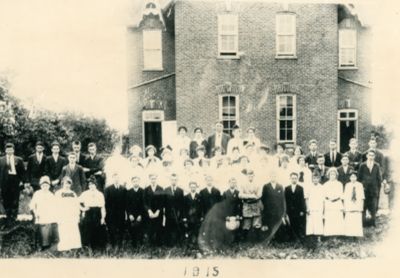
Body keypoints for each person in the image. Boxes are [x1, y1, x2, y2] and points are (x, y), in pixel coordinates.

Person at [29, 176, 58, 251]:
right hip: (38, 214)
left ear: (49, 186)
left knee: (47, 229)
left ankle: (46, 245)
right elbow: (32, 205)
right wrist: (35, 213)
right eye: (43, 186)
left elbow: (54, 206)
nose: (45, 187)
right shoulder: (37, 193)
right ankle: (36, 245)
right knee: (37, 229)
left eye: (46, 186)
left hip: (48, 215)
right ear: (41, 186)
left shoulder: (51, 195)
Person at [0, 143, 26, 223]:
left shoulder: (19, 159)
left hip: (15, 183)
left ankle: (14, 217)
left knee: (15, 200)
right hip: (4, 183)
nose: (9, 151)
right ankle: (8, 217)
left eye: (11, 150)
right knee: (6, 200)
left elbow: (23, 173)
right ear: (5, 150)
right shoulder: (1, 160)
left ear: (13, 150)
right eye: (8, 150)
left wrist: (22, 181)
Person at [55, 176, 82, 252]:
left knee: (73, 231)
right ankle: (65, 249)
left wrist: (77, 215)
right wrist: (58, 217)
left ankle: (74, 247)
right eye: (65, 183)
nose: (67, 185)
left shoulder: (73, 193)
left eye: (69, 184)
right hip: (63, 216)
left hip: (72, 216)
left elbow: (77, 205)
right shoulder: (58, 193)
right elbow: (55, 206)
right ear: (62, 184)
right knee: (64, 232)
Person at [79, 176, 106, 250]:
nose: (91, 186)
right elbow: (77, 202)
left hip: (97, 213)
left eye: (93, 184)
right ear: (88, 186)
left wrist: (103, 218)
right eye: (90, 185)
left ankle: (97, 248)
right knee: (87, 230)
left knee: (97, 229)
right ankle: (87, 247)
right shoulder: (85, 193)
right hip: (88, 212)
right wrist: (83, 209)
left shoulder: (100, 194)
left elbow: (102, 207)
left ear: (96, 185)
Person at [357, 149, 382, 227]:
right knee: (364, 207)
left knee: (373, 207)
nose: (371, 157)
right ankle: (363, 223)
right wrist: (361, 187)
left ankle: (372, 223)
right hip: (364, 190)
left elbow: (379, 178)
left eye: (372, 155)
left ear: (374, 157)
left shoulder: (377, 165)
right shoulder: (362, 165)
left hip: (373, 190)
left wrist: (377, 189)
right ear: (367, 156)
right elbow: (359, 178)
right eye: (369, 155)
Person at [261, 171, 286, 242]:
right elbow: (263, 198)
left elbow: (282, 198)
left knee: (277, 224)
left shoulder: (280, 186)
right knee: (270, 223)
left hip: (278, 209)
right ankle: (270, 240)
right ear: (270, 177)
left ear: (276, 177)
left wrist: (282, 210)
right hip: (269, 209)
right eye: (272, 176)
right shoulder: (266, 186)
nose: (273, 177)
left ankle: (278, 240)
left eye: (274, 176)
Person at [104, 173, 127, 248]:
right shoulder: (108, 189)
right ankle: (113, 244)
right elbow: (106, 202)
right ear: (113, 179)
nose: (116, 179)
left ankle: (120, 244)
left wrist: (125, 212)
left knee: (121, 228)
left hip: (121, 213)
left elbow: (125, 202)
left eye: (117, 178)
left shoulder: (123, 188)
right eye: (115, 178)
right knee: (111, 229)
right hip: (111, 213)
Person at [239, 169, 263, 241]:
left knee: (257, 222)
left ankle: (257, 239)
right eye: (249, 176)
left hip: (256, 204)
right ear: (246, 176)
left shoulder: (258, 184)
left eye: (252, 176)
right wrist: (252, 195)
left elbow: (259, 195)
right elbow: (240, 195)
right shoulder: (242, 184)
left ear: (254, 176)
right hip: (247, 205)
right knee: (247, 222)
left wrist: (247, 195)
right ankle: (245, 240)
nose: (250, 177)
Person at [163, 173, 185, 246]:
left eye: (175, 180)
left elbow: (182, 203)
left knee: (177, 227)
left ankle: (177, 243)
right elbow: (164, 202)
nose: (174, 181)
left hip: (177, 213)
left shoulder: (180, 190)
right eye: (172, 180)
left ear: (177, 180)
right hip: (168, 213)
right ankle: (168, 244)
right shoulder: (166, 189)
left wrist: (180, 213)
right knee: (168, 227)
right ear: (170, 180)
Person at [143, 172, 164, 246]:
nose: (153, 180)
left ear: (156, 179)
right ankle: (150, 243)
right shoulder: (146, 189)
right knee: (150, 228)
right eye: (152, 179)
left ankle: (158, 243)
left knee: (158, 227)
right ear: (149, 179)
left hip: (158, 212)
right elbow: (144, 202)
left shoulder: (160, 188)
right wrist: (149, 211)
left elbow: (162, 201)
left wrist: (158, 211)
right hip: (149, 213)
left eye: (154, 179)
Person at [284, 172, 306, 241]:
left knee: (297, 223)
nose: (294, 180)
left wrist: (302, 210)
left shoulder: (300, 188)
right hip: (290, 209)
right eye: (292, 178)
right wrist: (286, 211)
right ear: (290, 179)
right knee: (291, 223)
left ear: (297, 179)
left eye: (295, 178)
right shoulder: (287, 188)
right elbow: (285, 200)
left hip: (298, 209)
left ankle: (298, 237)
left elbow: (302, 200)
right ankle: (291, 238)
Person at [323, 168, 344, 237]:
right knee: (330, 218)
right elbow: (324, 194)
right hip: (329, 202)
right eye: (331, 174)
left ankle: (338, 233)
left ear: (336, 175)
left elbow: (340, 194)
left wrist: (335, 198)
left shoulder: (339, 184)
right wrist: (329, 198)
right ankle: (329, 233)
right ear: (328, 175)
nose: (332, 176)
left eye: (334, 174)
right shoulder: (325, 184)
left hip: (337, 202)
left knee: (337, 217)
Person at [343, 170, 365, 237]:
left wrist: (361, 206)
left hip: (357, 204)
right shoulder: (347, 185)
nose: (353, 178)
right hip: (349, 204)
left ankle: (357, 234)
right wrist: (345, 206)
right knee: (350, 218)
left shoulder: (360, 185)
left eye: (354, 177)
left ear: (356, 177)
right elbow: (345, 197)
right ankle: (349, 234)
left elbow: (362, 197)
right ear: (349, 178)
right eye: (352, 177)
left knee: (356, 218)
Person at [125, 175, 145, 247]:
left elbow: (144, 204)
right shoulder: (129, 192)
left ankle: (141, 243)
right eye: (134, 181)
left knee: (141, 229)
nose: (135, 183)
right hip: (132, 215)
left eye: (137, 181)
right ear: (132, 182)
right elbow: (127, 205)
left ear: (139, 182)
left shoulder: (143, 191)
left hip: (141, 214)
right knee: (132, 229)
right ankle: (134, 243)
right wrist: (130, 214)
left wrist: (141, 215)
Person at [304, 173, 325, 240]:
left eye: (317, 178)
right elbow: (306, 198)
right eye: (314, 178)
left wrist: (323, 209)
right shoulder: (309, 187)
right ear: (312, 179)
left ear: (319, 179)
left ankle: (318, 236)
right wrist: (307, 208)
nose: (315, 180)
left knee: (318, 221)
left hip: (319, 207)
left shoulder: (321, 187)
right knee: (310, 221)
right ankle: (311, 236)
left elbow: (323, 199)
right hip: (311, 206)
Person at [183, 181, 203, 246]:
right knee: (189, 230)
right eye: (191, 187)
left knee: (196, 230)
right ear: (189, 187)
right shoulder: (186, 197)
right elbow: (184, 208)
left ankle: (196, 243)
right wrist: (185, 217)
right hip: (189, 217)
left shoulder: (199, 196)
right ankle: (189, 243)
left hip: (197, 217)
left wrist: (202, 216)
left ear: (196, 187)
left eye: (194, 187)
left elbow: (202, 207)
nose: (193, 188)